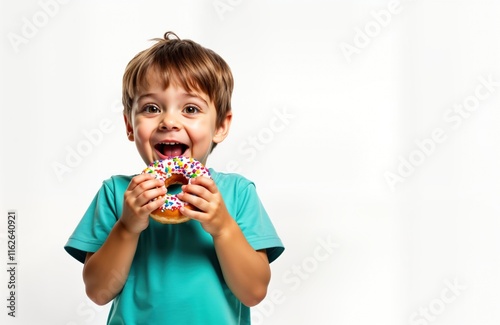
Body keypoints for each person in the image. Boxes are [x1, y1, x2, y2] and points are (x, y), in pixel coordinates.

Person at [64, 31, 284, 324]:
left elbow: (254, 292)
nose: (169, 121)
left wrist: (222, 228)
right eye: (151, 108)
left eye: (190, 109)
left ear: (220, 125)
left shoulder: (237, 193)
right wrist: (127, 227)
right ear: (130, 125)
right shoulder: (117, 193)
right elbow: (99, 291)